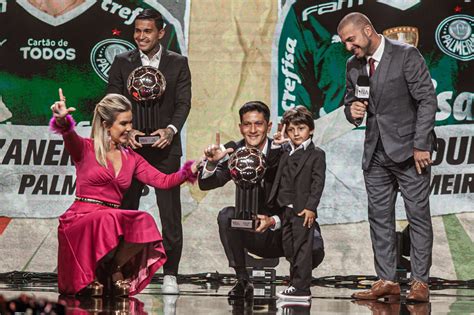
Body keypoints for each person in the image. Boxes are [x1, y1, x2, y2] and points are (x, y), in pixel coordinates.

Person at [49, 89, 198, 297]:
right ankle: (90, 274)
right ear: (106, 125)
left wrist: (190, 171)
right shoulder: (85, 148)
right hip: (80, 219)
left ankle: (113, 268)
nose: (130, 128)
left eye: (130, 122)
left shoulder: (132, 158)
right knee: (108, 218)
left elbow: (163, 181)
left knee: (143, 220)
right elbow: (69, 135)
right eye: (124, 123)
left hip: (110, 218)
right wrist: (63, 121)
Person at [337, 12, 437, 302]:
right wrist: (352, 112)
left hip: (409, 152)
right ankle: (387, 280)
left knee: (418, 217)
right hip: (376, 153)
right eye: (344, 43)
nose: (348, 47)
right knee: (379, 218)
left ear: (367, 30)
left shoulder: (406, 55)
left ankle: (420, 282)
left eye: (351, 40)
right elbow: (350, 101)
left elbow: (427, 100)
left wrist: (421, 145)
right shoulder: (352, 65)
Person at [198, 101, 325, 299]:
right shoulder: (233, 151)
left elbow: (302, 193)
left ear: (269, 126)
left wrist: (274, 220)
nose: (252, 130)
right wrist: (212, 163)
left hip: (284, 226)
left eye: (258, 124)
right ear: (240, 127)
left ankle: (297, 281)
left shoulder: (286, 149)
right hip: (252, 229)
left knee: (315, 246)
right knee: (226, 216)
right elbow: (206, 184)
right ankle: (242, 280)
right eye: (247, 124)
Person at [107, 8, 192, 294]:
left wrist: (170, 130)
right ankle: (118, 270)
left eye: (147, 31)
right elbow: (113, 101)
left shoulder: (178, 63)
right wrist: (126, 132)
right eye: (137, 31)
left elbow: (183, 103)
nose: (141, 36)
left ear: (161, 33)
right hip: (130, 150)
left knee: (170, 214)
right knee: (125, 211)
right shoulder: (122, 62)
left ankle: (170, 273)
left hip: (165, 150)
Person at [268, 106, 326, 302]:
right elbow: (271, 164)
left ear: (310, 129)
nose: (296, 133)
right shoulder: (286, 151)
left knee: (302, 248)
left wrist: (311, 207)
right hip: (287, 208)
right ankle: (295, 282)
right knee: (290, 247)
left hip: (303, 209)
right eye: (291, 130)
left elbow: (317, 184)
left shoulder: (316, 154)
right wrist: (276, 144)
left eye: (300, 128)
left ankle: (302, 288)